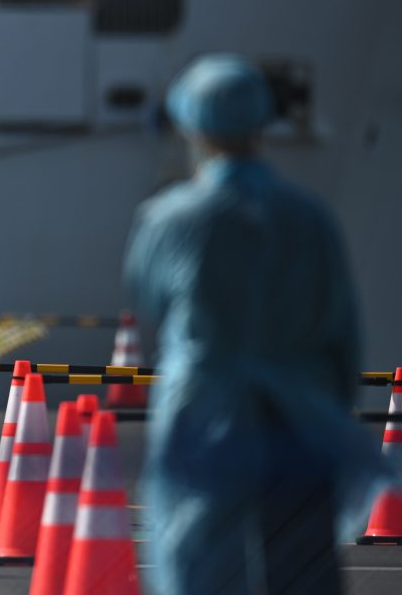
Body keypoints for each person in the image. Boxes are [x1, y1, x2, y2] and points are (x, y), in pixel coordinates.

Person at [126, 54, 393, 595]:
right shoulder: (310, 216)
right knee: (300, 568)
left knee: (201, 565)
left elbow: (148, 299)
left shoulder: (171, 218)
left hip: (208, 417)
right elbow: (341, 329)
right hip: (301, 417)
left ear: (192, 127)